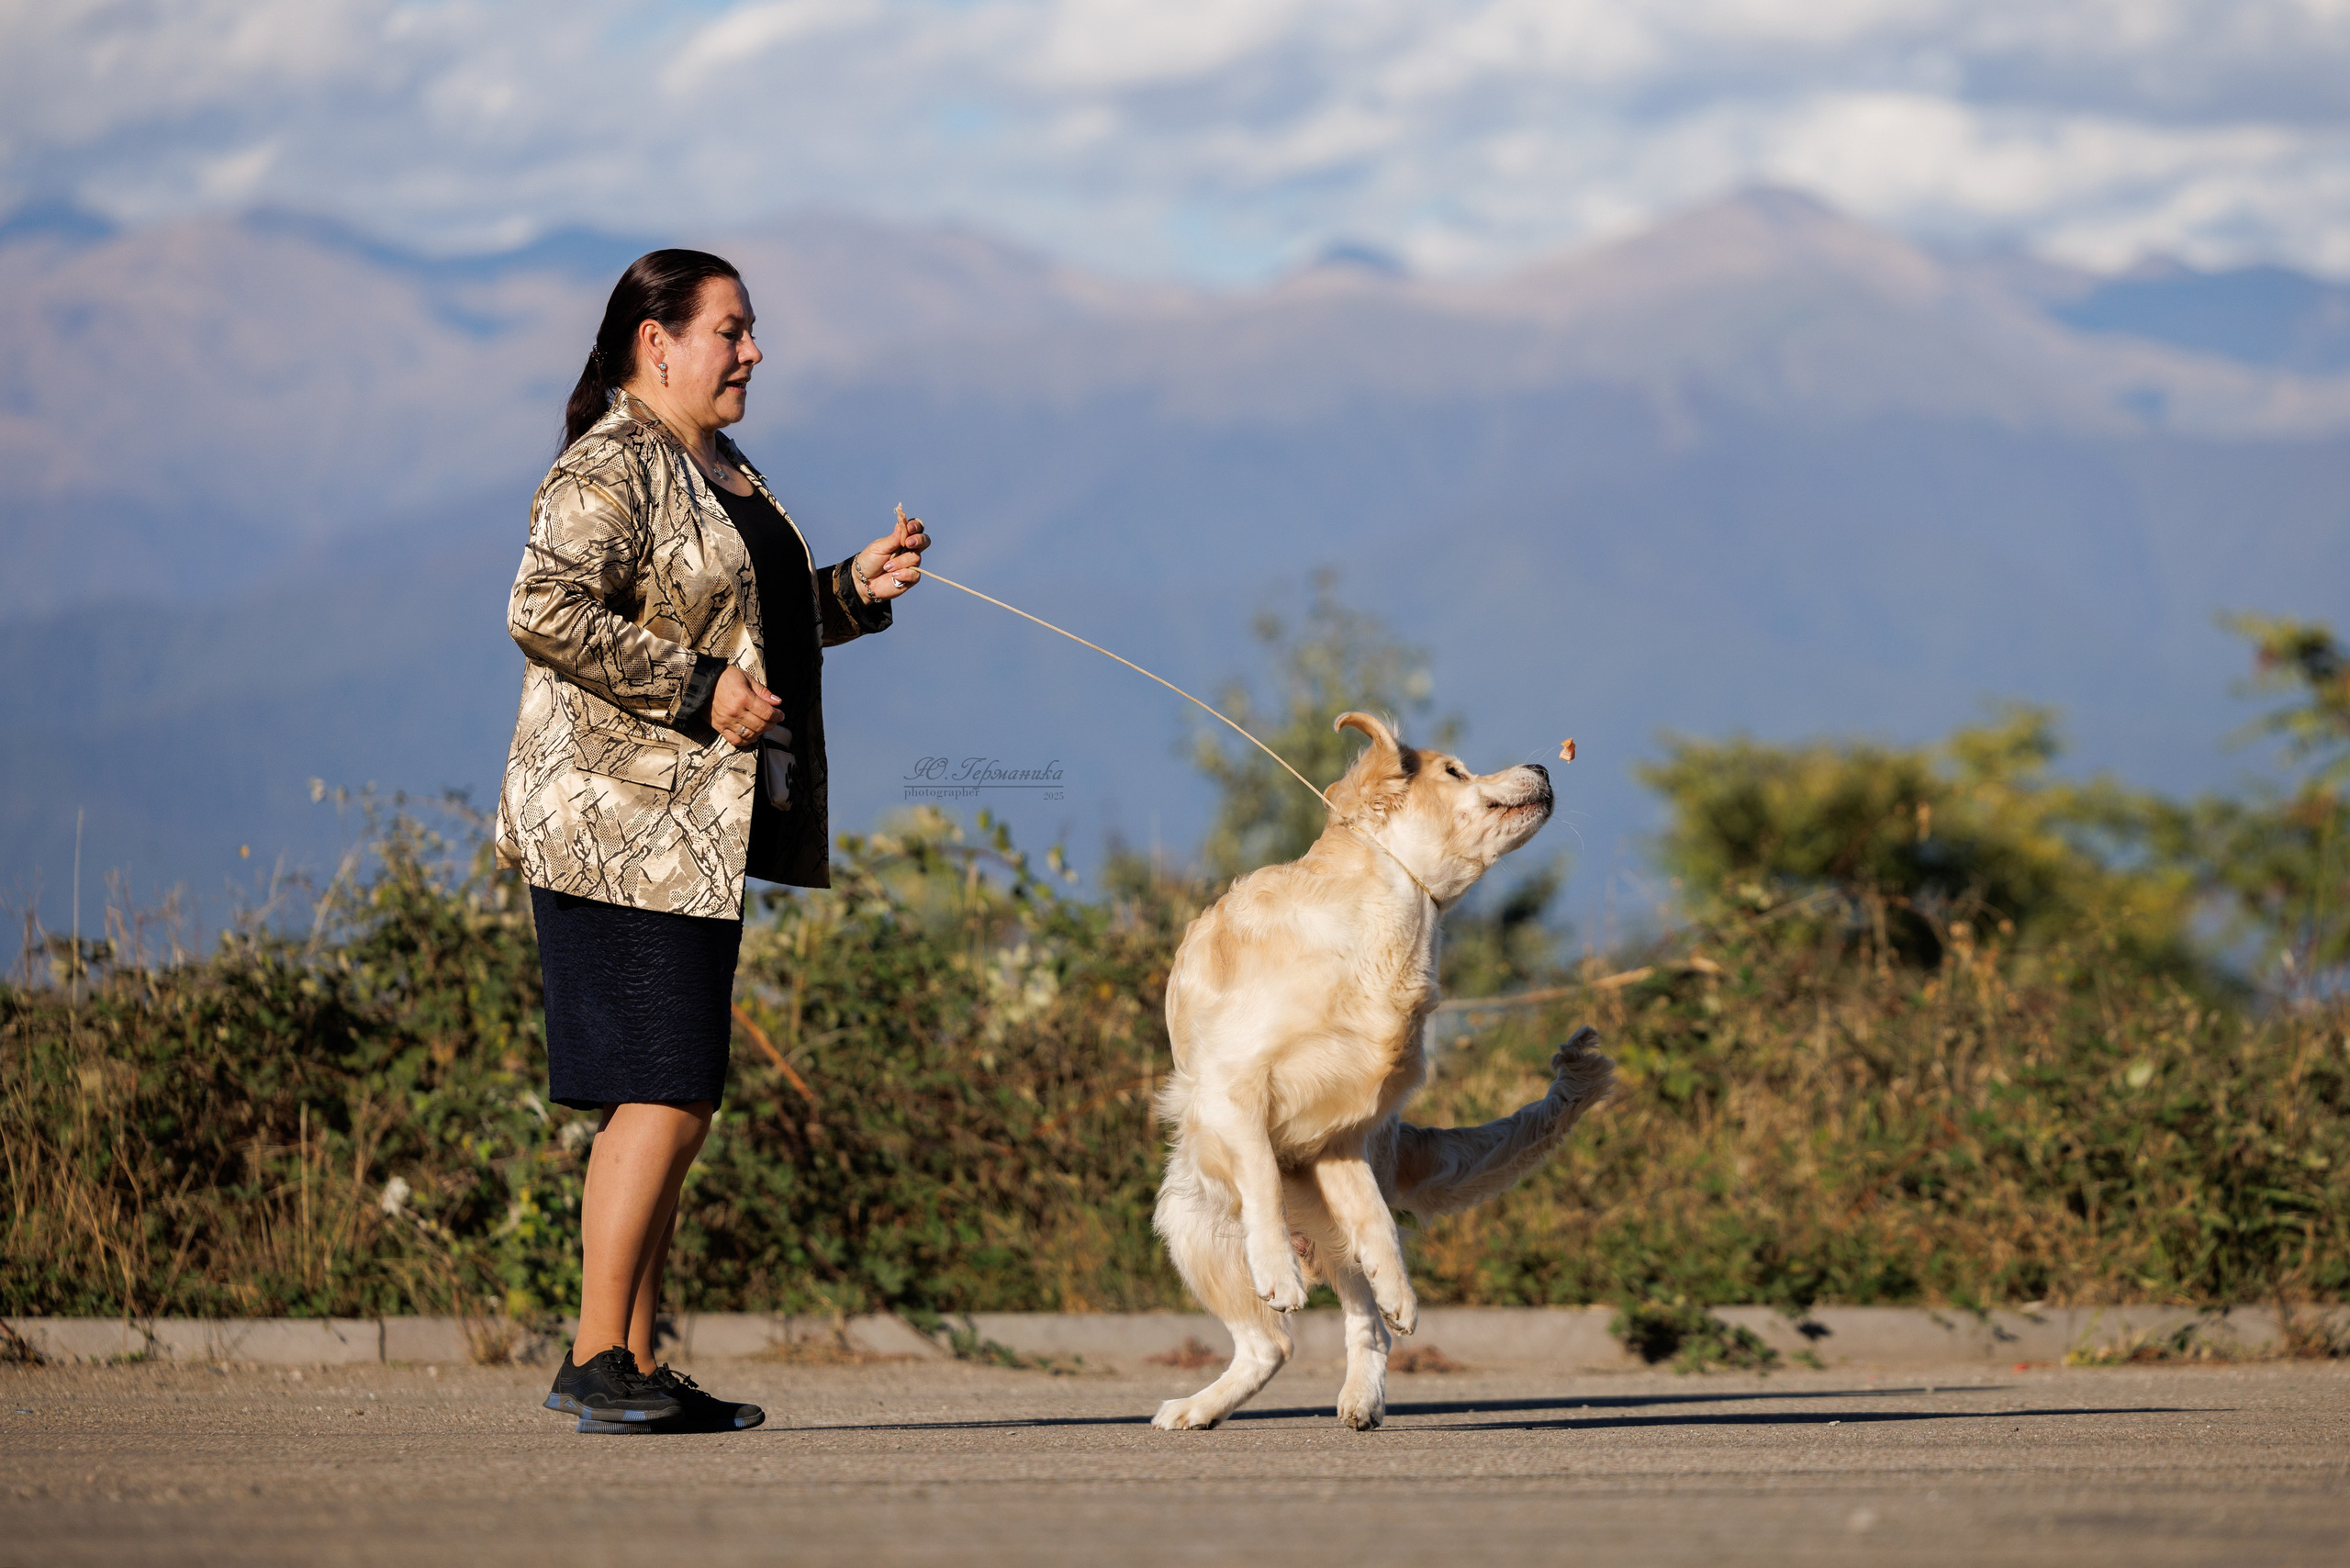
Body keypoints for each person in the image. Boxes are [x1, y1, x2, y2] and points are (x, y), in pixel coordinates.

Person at [496, 249, 927, 1433]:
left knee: (675, 1092)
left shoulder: (717, 467)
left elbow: (753, 626)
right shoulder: (611, 464)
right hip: (611, 825)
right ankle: (594, 1358)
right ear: (657, 342)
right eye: (731, 330)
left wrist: (851, 590)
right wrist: (695, 692)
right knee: (666, 1094)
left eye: (750, 330)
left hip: (691, 836)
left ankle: (633, 1364)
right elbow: (544, 611)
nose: (751, 352)